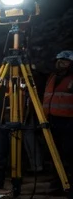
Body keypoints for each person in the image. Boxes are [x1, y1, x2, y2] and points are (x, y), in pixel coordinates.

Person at [43, 50, 73, 191]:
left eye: (65, 61)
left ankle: (68, 186)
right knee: (54, 154)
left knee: (67, 154)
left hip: (69, 122)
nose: (61, 63)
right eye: (59, 60)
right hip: (51, 120)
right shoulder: (52, 77)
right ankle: (56, 184)